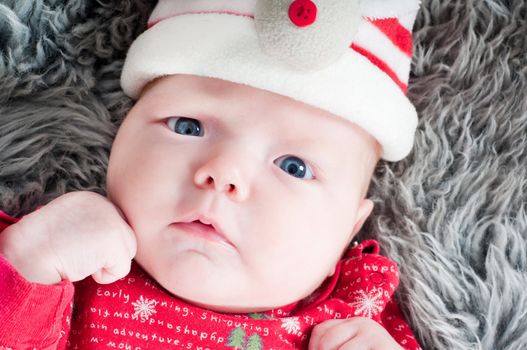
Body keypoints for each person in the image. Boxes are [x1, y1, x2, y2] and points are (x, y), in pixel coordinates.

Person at [0, 1, 423, 349]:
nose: (224, 173)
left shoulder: (356, 321)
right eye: (188, 126)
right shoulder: (64, 261)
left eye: (294, 167)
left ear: (350, 225)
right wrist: (25, 264)